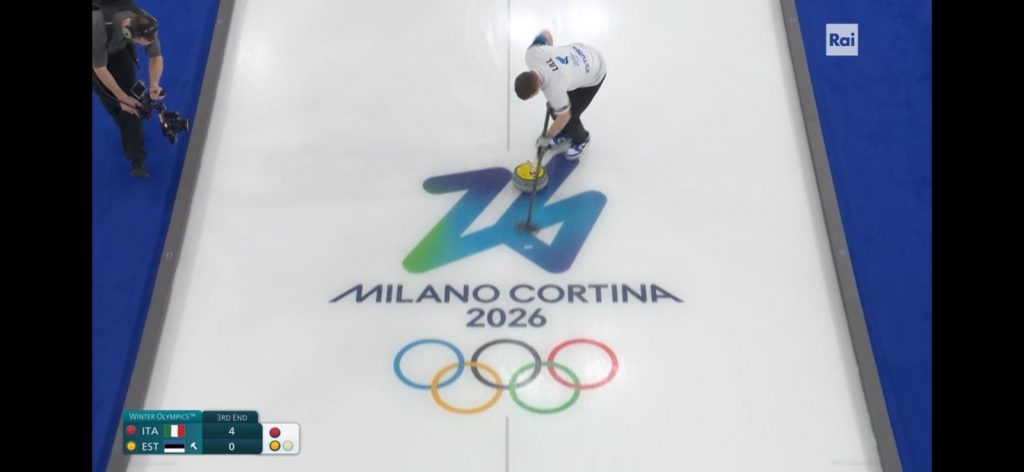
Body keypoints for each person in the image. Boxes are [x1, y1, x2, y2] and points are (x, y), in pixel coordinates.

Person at [91, 1, 165, 177]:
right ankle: (126, 126)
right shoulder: (97, 26)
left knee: (132, 107)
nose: (143, 46)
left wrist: (154, 84)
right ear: (128, 33)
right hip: (96, 57)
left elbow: (155, 55)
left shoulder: (146, 22)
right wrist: (121, 97)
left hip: (118, 51)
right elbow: (99, 68)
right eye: (141, 44)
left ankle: (136, 158)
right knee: (114, 103)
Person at [514, 30, 606, 160]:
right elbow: (546, 34)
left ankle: (582, 140)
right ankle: (565, 132)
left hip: (596, 70)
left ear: (535, 92)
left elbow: (565, 117)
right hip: (581, 52)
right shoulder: (532, 54)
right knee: (557, 108)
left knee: (570, 116)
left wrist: (547, 136)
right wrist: (552, 60)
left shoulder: (554, 88)